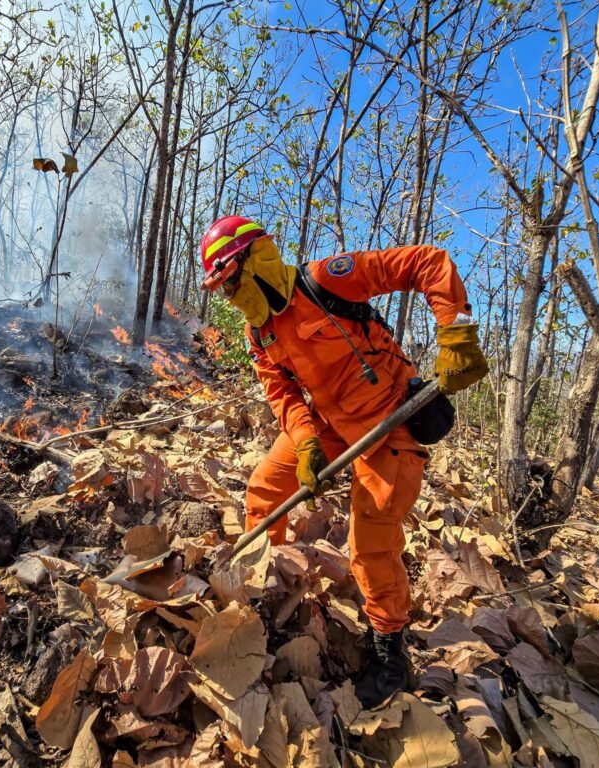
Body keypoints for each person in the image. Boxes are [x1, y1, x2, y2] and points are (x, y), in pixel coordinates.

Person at [199, 215, 488, 706]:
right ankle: (266, 588)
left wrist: (455, 333)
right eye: (221, 289)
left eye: (230, 282)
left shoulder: (326, 280)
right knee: (265, 489)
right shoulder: (259, 334)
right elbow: (282, 394)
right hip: (329, 424)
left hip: (390, 420)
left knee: (371, 543)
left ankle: (389, 649)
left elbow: (426, 261)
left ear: (254, 261)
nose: (230, 296)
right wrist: (305, 443)